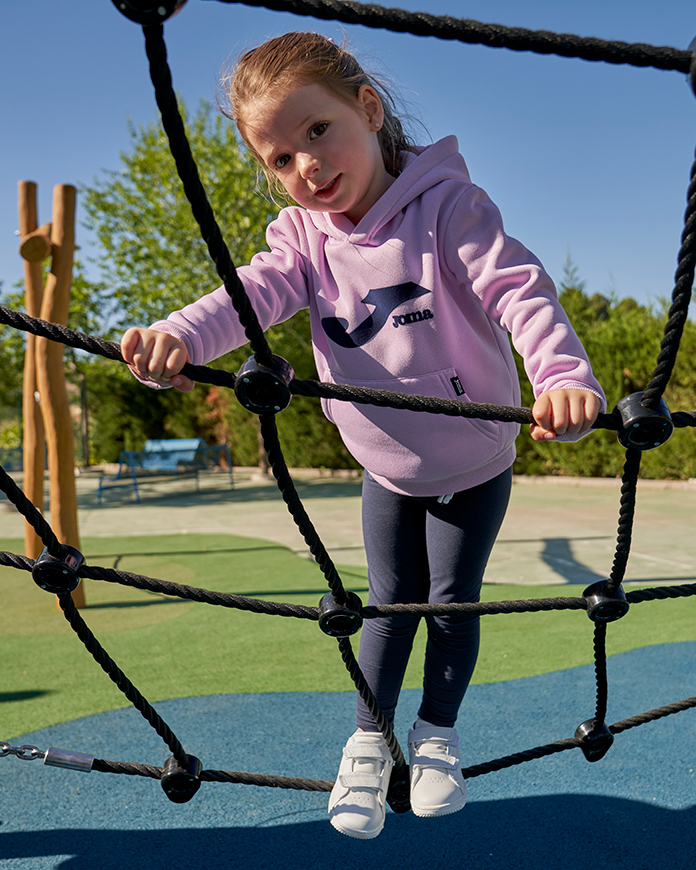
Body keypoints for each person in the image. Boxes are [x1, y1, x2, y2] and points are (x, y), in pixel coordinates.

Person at [121, 32, 605, 840]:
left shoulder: (448, 207)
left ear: (368, 110)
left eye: (317, 132)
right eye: (278, 158)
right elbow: (248, 295)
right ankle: (370, 741)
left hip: (475, 458)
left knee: (451, 603)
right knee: (383, 607)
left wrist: (561, 375)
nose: (304, 166)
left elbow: (518, 286)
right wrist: (177, 337)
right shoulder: (303, 242)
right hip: (384, 465)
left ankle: (438, 736)